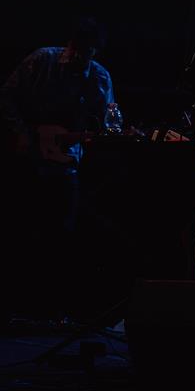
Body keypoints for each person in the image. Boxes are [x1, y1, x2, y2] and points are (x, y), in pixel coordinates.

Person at [0, 16, 116, 320]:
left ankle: (54, 309)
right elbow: (6, 96)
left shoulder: (99, 77)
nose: (81, 57)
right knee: (23, 231)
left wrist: (106, 133)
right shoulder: (42, 61)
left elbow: (108, 122)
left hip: (66, 166)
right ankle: (17, 306)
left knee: (62, 235)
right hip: (28, 161)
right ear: (70, 43)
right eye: (78, 49)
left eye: (88, 51)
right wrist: (23, 134)